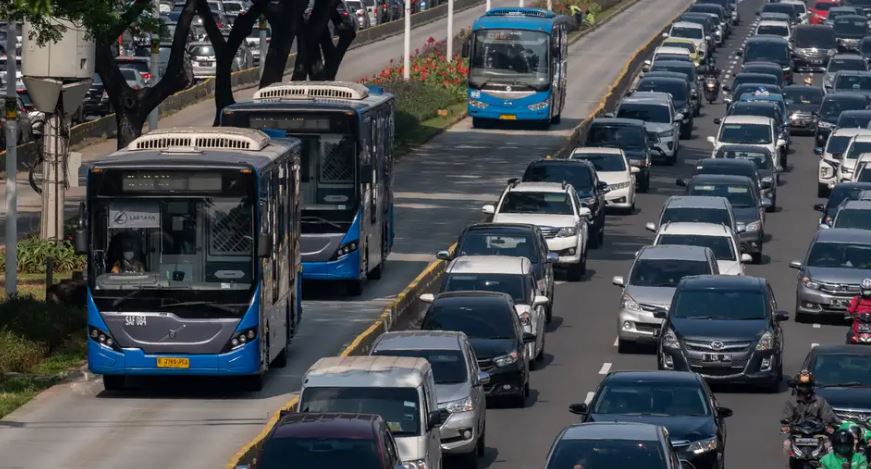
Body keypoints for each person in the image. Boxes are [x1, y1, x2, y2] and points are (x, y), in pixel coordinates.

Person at [782, 370, 840, 464]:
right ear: (797, 386)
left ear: (811, 386)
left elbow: (829, 415)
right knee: (786, 444)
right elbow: (786, 417)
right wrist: (787, 424)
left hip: (818, 433)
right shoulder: (791, 402)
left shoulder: (820, 401)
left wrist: (831, 424)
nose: (805, 388)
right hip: (798, 433)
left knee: (829, 446)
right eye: (802, 385)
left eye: (807, 385)